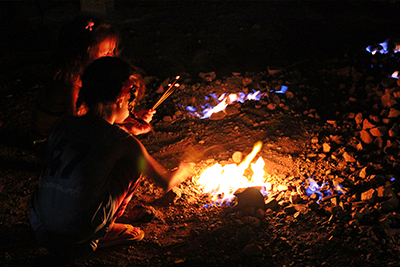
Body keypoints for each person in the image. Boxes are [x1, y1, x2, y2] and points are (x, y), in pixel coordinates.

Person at [29, 57, 192, 261]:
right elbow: (165, 181)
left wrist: (127, 128)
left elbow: (95, 137)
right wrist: (185, 168)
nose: (131, 107)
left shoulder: (65, 124)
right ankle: (104, 231)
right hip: (78, 233)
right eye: (131, 101)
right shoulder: (123, 142)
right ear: (121, 97)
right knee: (132, 163)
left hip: (39, 223)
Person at [31, 16, 154, 141]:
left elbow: (102, 109)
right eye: (106, 53)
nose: (112, 57)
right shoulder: (72, 84)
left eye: (113, 51)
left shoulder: (92, 75)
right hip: (53, 138)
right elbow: (77, 125)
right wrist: (123, 129)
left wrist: (131, 117)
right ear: (85, 53)